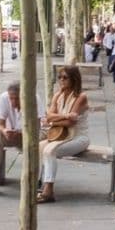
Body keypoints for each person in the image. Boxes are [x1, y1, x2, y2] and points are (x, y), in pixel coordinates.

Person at [36, 65, 90, 203]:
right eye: (59, 77)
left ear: (74, 79)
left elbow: (70, 124)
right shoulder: (58, 95)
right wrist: (66, 116)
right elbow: (48, 116)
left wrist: (55, 119)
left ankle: (48, 190)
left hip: (79, 138)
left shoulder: (81, 97)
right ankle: (38, 182)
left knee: (50, 150)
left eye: (65, 77)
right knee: (39, 146)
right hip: (59, 136)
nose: (61, 80)